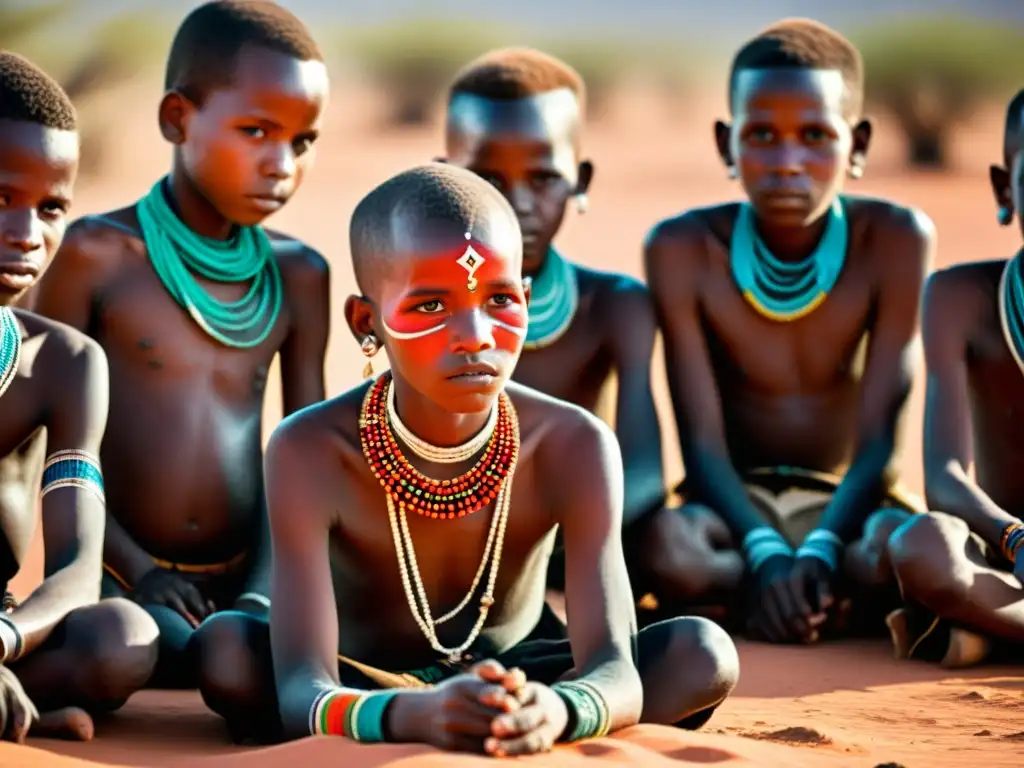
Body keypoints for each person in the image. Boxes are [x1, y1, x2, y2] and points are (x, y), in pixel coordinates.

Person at [195, 163, 739, 752]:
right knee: (228, 653)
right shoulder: (310, 449)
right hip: (369, 679)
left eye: (500, 299)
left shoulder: (572, 442)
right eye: (431, 306)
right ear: (365, 323)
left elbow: (615, 669)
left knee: (701, 653)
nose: (476, 334)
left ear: (526, 300)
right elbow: (305, 686)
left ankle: (502, 722)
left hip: (527, 678)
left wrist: (556, 709)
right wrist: (413, 715)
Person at [27, 0, 331, 699]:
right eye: (256, 130)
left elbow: (308, 454)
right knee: (158, 648)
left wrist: (261, 594)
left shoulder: (300, 274)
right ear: (176, 119)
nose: (281, 163)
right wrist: (139, 571)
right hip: (121, 573)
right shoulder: (98, 256)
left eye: (303, 141)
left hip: (252, 575)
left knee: (240, 657)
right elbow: (55, 447)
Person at [643, 18, 935, 642]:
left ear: (856, 144)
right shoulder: (684, 248)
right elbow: (700, 445)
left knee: (898, 549)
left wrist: (823, 544)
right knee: (670, 550)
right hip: (729, 507)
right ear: (726, 144)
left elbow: (882, 439)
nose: (787, 162)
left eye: (814, 136)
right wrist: (765, 549)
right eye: (762, 136)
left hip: (846, 502)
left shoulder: (895, 240)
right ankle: (805, 599)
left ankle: (785, 597)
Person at [441, 48, 701, 609]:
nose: (517, 203)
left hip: (590, 532)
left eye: (543, 177)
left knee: (683, 553)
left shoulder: (613, 305)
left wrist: (558, 542)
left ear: (580, 181)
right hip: (461, 539)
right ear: (444, 180)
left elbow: (646, 474)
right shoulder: (427, 308)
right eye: (486, 178)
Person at [0, 51, 158, 743]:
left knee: (121, 638)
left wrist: (3, 641)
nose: (27, 236)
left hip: (3, 633)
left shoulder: (64, 364)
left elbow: (76, 572)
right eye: (0, 198)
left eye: (52, 207)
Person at [885, 89, 1024, 668]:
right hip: (1004, 552)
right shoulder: (958, 297)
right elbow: (942, 474)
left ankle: (991, 631)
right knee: (920, 545)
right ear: (1004, 189)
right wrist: (1013, 535)